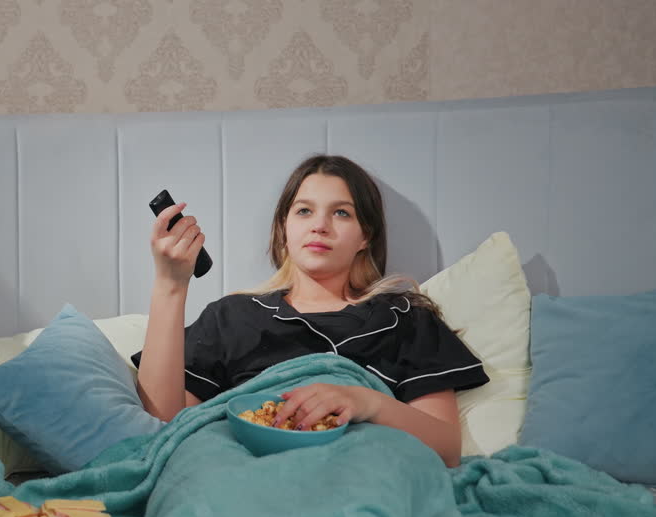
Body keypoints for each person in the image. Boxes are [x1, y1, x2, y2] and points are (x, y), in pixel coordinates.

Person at [133, 154, 486, 467]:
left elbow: (446, 449)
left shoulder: (406, 319)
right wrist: (171, 284)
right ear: (283, 230)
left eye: (341, 213)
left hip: (364, 479)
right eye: (304, 210)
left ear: (366, 236)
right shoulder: (232, 317)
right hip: (249, 478)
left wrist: (366, 402)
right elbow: (164, 423)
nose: (320, 225)